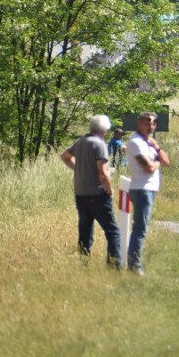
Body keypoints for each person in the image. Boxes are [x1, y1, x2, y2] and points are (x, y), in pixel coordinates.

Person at [61, 114, 121, 268]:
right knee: (113, 231)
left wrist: (79, 168)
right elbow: (102, 172)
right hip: (97, 192)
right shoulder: (99, 144)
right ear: (105, 129)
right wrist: (109, 188)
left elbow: (65, 157)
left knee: (85, 229)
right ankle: (114, 265)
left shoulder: (80, 142)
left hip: (80, 192)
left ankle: (83, 262)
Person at [125, 111, 171, 275]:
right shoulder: (135, 142)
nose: (150, 125)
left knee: (141, 227)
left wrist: (157, 148)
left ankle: (133, 262)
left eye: (153, 123)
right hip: (141, 188)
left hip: (149, 188)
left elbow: (167, 161)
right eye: (146, 122)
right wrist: (157, 161)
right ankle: (134, 264)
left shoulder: (149, 143)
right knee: (140, 229)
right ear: (139, 123)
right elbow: (149, 167)